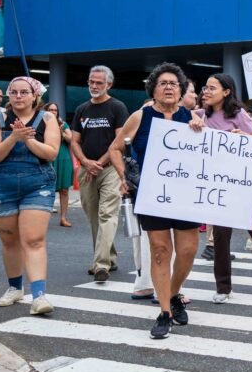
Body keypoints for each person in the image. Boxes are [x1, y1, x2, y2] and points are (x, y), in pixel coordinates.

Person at [110, 63, 203, 339]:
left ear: (181, 89)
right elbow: (115, 149)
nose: (169, 87)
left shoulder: (192, 117)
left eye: (174, 83)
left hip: (185, 195)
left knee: (187, 250)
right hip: (152, 194)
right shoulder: (140, 116)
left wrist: (201, 130)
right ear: (153, 89)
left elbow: (208, 155)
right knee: (161, 251)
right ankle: (164, 312)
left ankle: (173, 294)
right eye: (163, 83)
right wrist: (124, 175)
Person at [202, 73, 252, 304]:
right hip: (217, 182)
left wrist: (243, 137)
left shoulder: (239, 115)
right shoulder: (201, 115)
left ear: (226, 92)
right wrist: (194, 125)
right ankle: (223, 286)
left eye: (212, 88)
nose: (206, 91)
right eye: (205, 88)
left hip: (244, 181)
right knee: (220, 233)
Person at [0, 77, 60, 314]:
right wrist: (13, 138)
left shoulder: (47, 119)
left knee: (34, 239)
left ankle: (39, 296)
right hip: (1, 185)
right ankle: (15, 287)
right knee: (10, 240)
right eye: (14, 92)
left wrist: (28, 139)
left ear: (35, 96)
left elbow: (51, 153)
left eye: (24, 92)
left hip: (38, 184)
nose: (18, 96)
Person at [71, 66, 129, 282]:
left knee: (107, 214)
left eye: (99, 83)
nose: (94, 86)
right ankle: (109, 257)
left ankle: (101, 265)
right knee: (94, 217)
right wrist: (86, 163)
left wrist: (100, 163)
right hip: (87, 170)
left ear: (109, 85)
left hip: (111, 169)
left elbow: (119, 142)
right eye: (91, 82)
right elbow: (74, 141)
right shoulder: (82, 109)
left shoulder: (117, 107)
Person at [44, 103, 74, 227]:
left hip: (63, 158)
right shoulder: (41, 123)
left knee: (64, 190)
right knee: (46, 189)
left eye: (55, 110)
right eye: (50, 109)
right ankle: (43, 219)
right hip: (48, 158)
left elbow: (70, 139)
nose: (53, 112)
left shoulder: (62, 124)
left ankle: (63, 218)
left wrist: (61, 132)